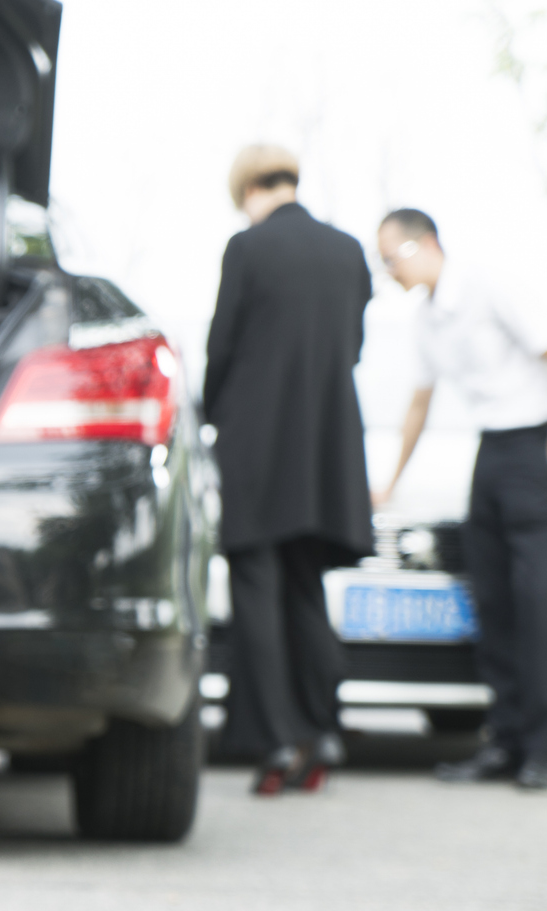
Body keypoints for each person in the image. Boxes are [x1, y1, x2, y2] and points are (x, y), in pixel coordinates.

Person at [373, 209, 547, 791]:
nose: (387, 270)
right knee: (492, 602)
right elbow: (419, 404)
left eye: (391, 257)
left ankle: (546, 750)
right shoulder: (426, 320)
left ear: (425, 245)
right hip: (490, 452)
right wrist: (390, 481)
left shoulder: (490, 289)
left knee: (535, 605)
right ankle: (507, 741)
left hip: (536, 445)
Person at [203, 144, 374, 795]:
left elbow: (224, 347)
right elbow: (351, 348)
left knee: (257, 590)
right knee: (306, 590)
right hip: (326, 448)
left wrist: (212, 413)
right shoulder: (349, 251)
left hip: (256, 443)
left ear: (246, 189)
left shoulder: (247, 250)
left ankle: (272, 739)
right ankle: (322, 729)